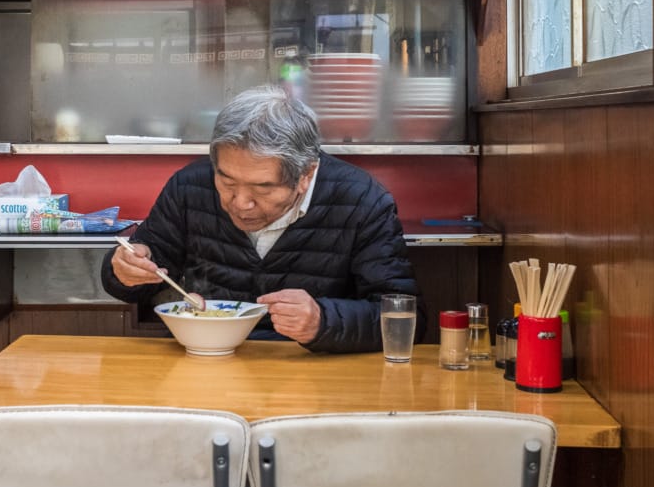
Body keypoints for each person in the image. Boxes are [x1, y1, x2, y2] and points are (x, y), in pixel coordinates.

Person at [102, 84, 420, 353]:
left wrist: (324, 321)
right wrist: (124, 272)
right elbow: (141, 268)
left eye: (263, 187)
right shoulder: (190, 185)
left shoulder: (361, 200)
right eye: (226, 182)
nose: (241, 203)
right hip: (209, 362)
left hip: (313, 374)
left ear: (306, 175)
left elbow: (407, 316)